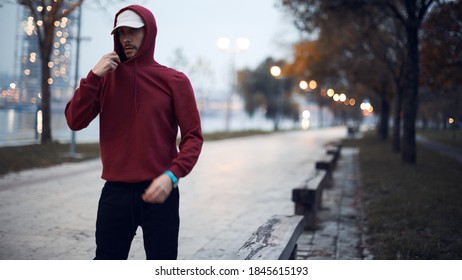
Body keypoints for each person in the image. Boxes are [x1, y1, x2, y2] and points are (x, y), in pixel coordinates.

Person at [65, 5, 203, 260]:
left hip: (161, 191)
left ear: (149, 33)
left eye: (134, 32)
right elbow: (75, 121)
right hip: (115, 193)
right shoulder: (105, 79)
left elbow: (193, 137)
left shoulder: (174, 80)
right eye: (121, 32)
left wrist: (171, 176)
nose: (126, 39)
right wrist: (93, 76)